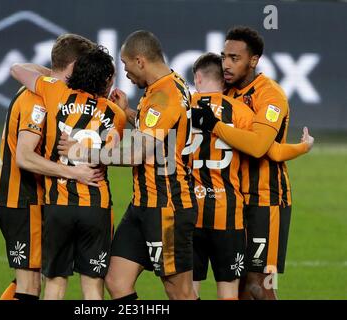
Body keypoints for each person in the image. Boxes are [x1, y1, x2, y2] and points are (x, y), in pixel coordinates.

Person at [59, 30, 198, 300]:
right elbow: (159, 129)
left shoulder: (164, 96)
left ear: (140, 60)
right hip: (143, 204)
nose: (126, 73)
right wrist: (129, 113)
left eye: (126, 66)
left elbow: (137, 154)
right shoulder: (167, 84)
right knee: (116, 279)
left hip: (167, 207)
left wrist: (85, 152)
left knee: (179, 291)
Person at [191, 26, 314, 300]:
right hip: (233, 199)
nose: (226, 64)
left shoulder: (270, 95)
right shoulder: (228, 94)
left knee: (260, 283)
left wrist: (215, 126)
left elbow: (259, 147)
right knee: (242, 281)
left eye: (235, 58)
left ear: (254, 60)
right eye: (224, 57)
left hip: (265, 199)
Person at [10, 45, 126, 300]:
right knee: (93, 286)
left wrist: (52, 75)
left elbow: (19, 71)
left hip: (58, 203)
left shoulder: (55, 92)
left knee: (55, 283)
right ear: (107, 81)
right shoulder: (115, 114)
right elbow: (115, 152)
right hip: (96, 205)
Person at [0, 33, 101, 300]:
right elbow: (25, 157)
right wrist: (73, 172)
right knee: (29, 287)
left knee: (26, 280)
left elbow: (30, 71)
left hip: (22, 197)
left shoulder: (45, 90)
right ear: (74, 66)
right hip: (22, 198)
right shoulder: (38, 100)